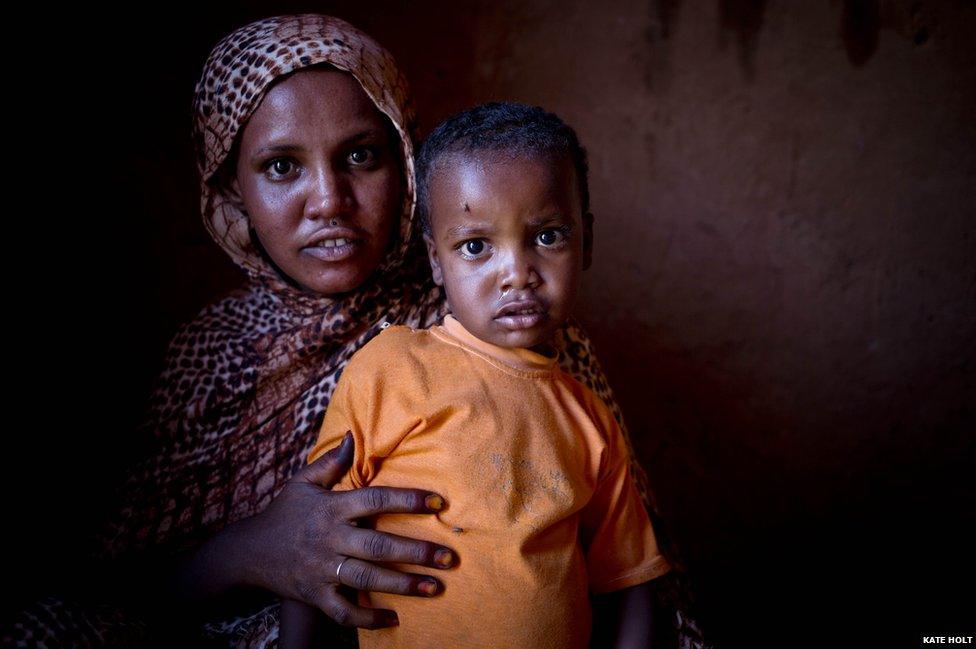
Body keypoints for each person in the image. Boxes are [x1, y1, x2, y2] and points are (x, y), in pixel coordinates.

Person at [3, 14, 707, 649]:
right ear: (229, 192)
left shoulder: (508, 334)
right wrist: (254, 549)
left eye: (362, 156)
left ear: (406, 166)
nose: (329, 200)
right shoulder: (210, 351)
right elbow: (122, 588)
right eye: (282, 166)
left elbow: (634, 576)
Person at [283, 102, 673, 649]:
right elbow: (314, 542)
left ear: (586, 239)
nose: (517, 274)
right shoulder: (391, 368)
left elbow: (629, 581)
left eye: (547, 237)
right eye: (475, 246)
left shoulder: (589, 418)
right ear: (436, 261)